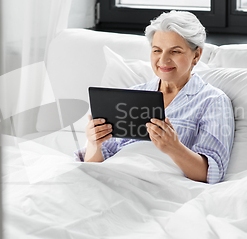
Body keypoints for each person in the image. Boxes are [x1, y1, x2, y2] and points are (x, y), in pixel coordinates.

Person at [74, 11, 234, 184]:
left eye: (175, 51)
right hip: (114, 176)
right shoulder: (131, 96)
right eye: (157, 50)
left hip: (160, 184)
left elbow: (211, 174)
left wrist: (174, 148)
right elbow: (95, 165)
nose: (163, 60)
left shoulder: (213, 101)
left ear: (196, 55)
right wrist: (93, 142)